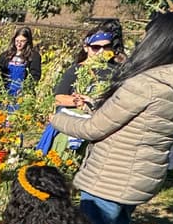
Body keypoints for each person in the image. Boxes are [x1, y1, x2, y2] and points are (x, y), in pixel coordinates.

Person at [48, 11, 173, 224]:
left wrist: (56, 120)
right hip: (144, 172)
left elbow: (94, 128)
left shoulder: (147, 83)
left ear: (158, 40)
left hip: (112, 173)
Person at [36, 25, 124, 156]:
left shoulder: (117, 71)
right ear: (86, 48)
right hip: (74, 127)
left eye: (106, 47)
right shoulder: (76, 70)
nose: (101, 51)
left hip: (103, 127)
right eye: (95, 47)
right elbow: (58, 97)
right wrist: (78, 101)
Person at [0, 27, 42, 109]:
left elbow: (35, 76)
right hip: (4, 93)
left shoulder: (34, 57)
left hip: (22, 96)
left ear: (28, 41)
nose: (19, 44)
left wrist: (25, 90)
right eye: (17, 41)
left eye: (22, 41)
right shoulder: (5, 55)